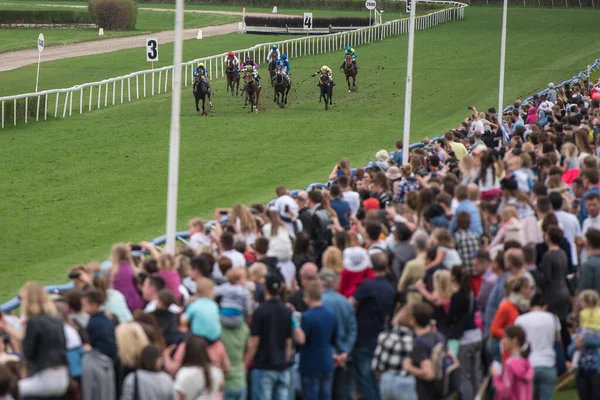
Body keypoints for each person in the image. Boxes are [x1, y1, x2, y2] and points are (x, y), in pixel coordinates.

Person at [3, 283, 69, 398]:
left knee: (7, 392)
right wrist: (6, 327)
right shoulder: (56, 320)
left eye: (21, 299)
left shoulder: (34, 322)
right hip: (63, 378)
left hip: (46, 380)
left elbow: (28, 352)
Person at [349, 253, 396, 400]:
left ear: (371, 266)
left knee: (365, 377)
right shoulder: (390, 288)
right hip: (381, 334)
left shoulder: (367, 286)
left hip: (363, 336)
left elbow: (351, 304)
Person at [245, 273, 295, 400]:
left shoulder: (260, 312)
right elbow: (288, 341)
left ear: (265, 288)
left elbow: (254, 341)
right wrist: (285, 361)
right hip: (281, 366)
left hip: (263, 366)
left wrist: (245, 364)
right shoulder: (286, 311)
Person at [319, 268, 356, 400]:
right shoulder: (345, 303)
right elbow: (352, 329)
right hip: (343, 355)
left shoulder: (319, 302)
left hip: (325, 355)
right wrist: (345, 351)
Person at [515, 293, 560, 400]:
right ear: (545, 306)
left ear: (530, 306)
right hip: (548, 363)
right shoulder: (553, 318)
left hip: (527, 364)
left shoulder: (520, 320)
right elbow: (558, 341)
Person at [299, 280, 338, 400]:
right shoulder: (331, 314)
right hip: (327, 362)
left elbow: (301, 341)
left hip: (310, 364)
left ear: (308, 296)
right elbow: (334, 339)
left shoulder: (307, 317)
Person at [372, 304, 417, 400]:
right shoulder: (416, 340)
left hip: (386, 379)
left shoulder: (384, 336)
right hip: (407, 380)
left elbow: (376, 364)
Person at [401, 302, 445, 400]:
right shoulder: (438, 335)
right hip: (441, 390)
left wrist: (409, 367)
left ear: (412, 321)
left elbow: (429, 374)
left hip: (427, 393)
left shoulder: (420, 343)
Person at [490, 325, 534, 400]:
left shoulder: (510, 365)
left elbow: (505, 392)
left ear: (514, 340)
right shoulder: (527, 364)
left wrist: (496, 376)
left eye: (505, 337)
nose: (503, 341)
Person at [174, 335, 224, 400]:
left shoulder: (184, 373)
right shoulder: (216, 371)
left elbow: (179, 396)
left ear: (187, 351)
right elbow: (221, 388)